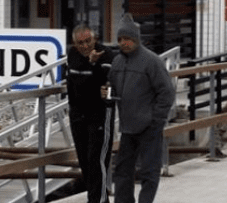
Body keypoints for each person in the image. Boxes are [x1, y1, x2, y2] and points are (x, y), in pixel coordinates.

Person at [102, 13, 175, 203]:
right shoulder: (117, 62)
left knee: (149, 172)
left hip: (149, 127)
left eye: (127, 39)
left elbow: (166, 92)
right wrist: (107, 94)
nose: (123, 43)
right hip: (127, 128)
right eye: (120, 39)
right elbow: (113, 90)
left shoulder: (152, 61)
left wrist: (156, 120)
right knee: (122, 171)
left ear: (136, 39)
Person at [66, 24, 115, 203]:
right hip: (78, 115)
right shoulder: (72, 55)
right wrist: (72, 111)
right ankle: (95, 199)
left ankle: (99, 201)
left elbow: (102, 86)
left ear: (95, 39)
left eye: (88, 41)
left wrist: (93, 64)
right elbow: (75, 85)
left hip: (99, 114)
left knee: (97, 161)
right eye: (81, 43)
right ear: (75, 43)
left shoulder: (106, 55)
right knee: (85, 163)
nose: (85, 46)